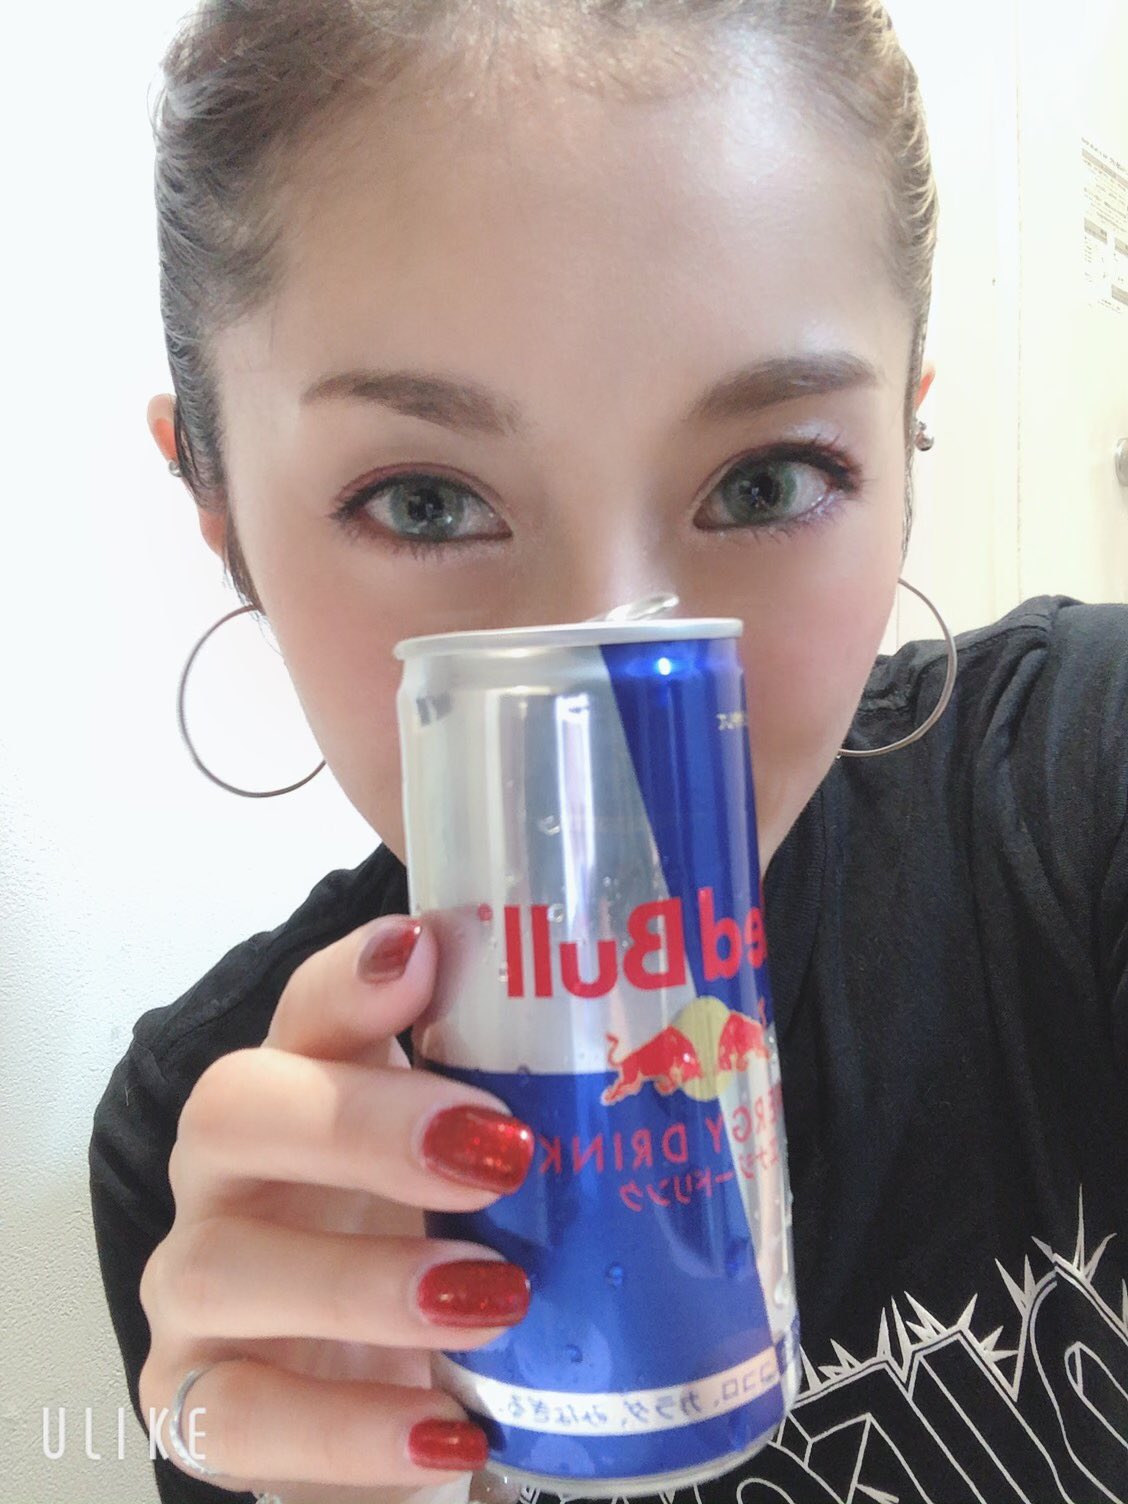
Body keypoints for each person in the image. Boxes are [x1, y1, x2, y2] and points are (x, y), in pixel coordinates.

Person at [88, 1, 1128, 1501]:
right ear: (223, 513)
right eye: (426, 501)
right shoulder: (231, 1152)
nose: (606, 686)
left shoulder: (1081, 791)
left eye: (768, 480)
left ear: (905, 448)